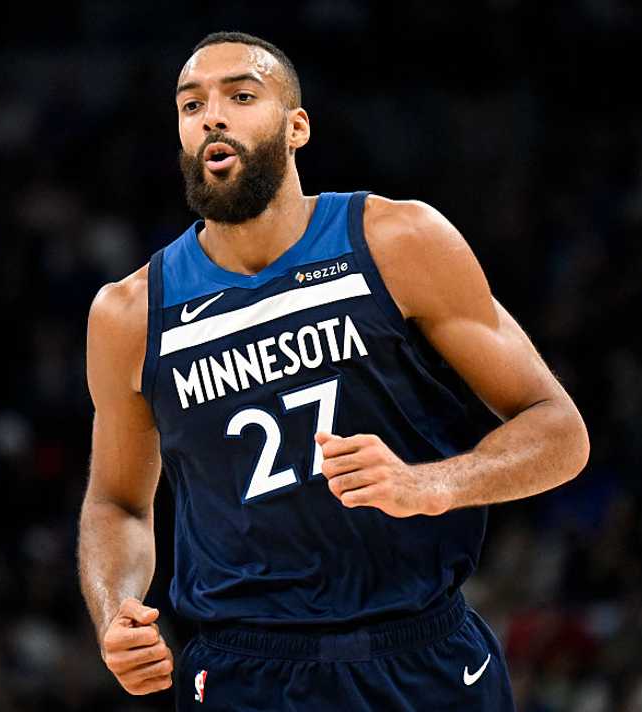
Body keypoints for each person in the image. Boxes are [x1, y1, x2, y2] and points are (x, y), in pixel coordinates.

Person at [78, 31, 589, 711]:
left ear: (297, 128)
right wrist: (116, 611)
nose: (212, 116)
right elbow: (116, 502)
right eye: (191, 104)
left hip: (423, 656)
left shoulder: (397, 241)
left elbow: (559, 431)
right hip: (246, 673)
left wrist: (432, 485)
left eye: (241, 94)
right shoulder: (130, 314)